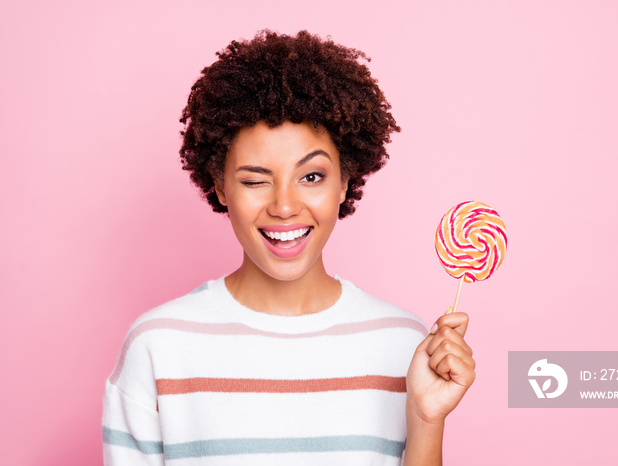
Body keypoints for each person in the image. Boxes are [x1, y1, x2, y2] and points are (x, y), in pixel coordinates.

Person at [102, 29, 475, 466]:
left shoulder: (407, 346)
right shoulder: (158, 347)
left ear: (345, 181)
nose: (283, 206)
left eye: (312, 176)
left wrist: (425, 420)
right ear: (220, 186)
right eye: (255, 180)